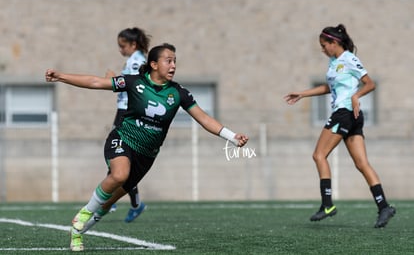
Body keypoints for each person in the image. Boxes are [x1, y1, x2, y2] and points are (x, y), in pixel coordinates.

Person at [45, 43, 249, 252]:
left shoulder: (178, 93)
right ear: (153, 64)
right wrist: (61, 76)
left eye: (175, 61)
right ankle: (85, 213)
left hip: (146, 156)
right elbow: (97, 82)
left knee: (108, 203)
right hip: (123, 138)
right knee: (119, 175)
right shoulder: (135, 82)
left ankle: (77, 232)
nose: (173, 65)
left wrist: (232, 137)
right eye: (168, 61)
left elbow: (204, 119)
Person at [283, 24, 395, 228]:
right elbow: (330, 87)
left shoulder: (349, 59)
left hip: (344, 114)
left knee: (318, 155)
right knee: (361, 164)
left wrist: (356, 96)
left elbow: (370, 83)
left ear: (334, 43)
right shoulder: (334, 63)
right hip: (350, 116)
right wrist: (302, 94)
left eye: (324, 45)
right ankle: (384, 206)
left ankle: (327, 205)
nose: (322, 49)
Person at [106, 27, 151, 223]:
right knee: (122, 159)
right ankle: (133, 203)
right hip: (125, 110)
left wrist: (112, 80)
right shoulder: (134, 61)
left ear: (133, 44)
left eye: (122, 45)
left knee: (117, 154)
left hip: (128, 112)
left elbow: (135, 87)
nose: (120, 49)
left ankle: (110, 197)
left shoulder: (136, 62)